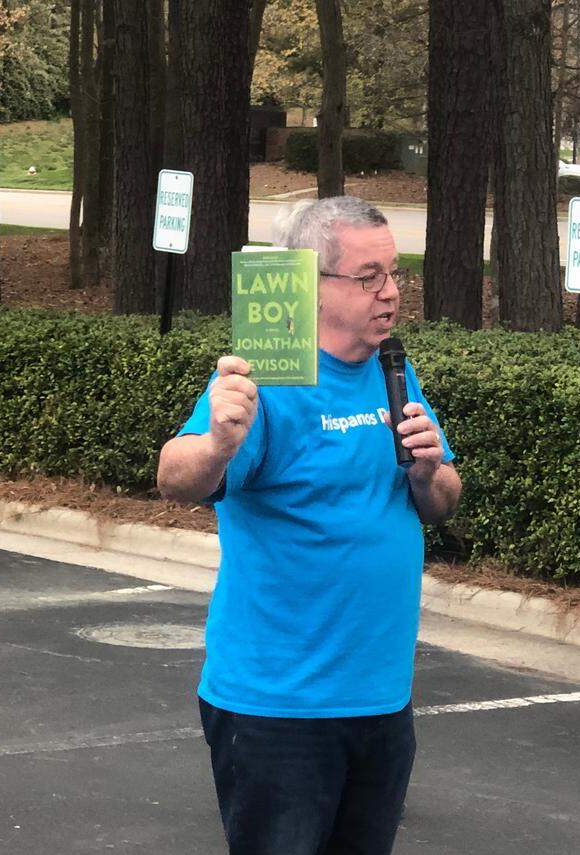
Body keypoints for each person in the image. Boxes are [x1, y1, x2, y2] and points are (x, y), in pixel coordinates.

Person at [156, 196, 462, 855]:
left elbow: (443, 499)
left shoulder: (393, 370)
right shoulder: (266, 381)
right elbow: (174, 476)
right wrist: (216, 444)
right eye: (368, 276)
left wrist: (427, 471)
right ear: (311, 284)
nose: (390, 293)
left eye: (396, 273)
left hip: (380, 699)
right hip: (278, 710)